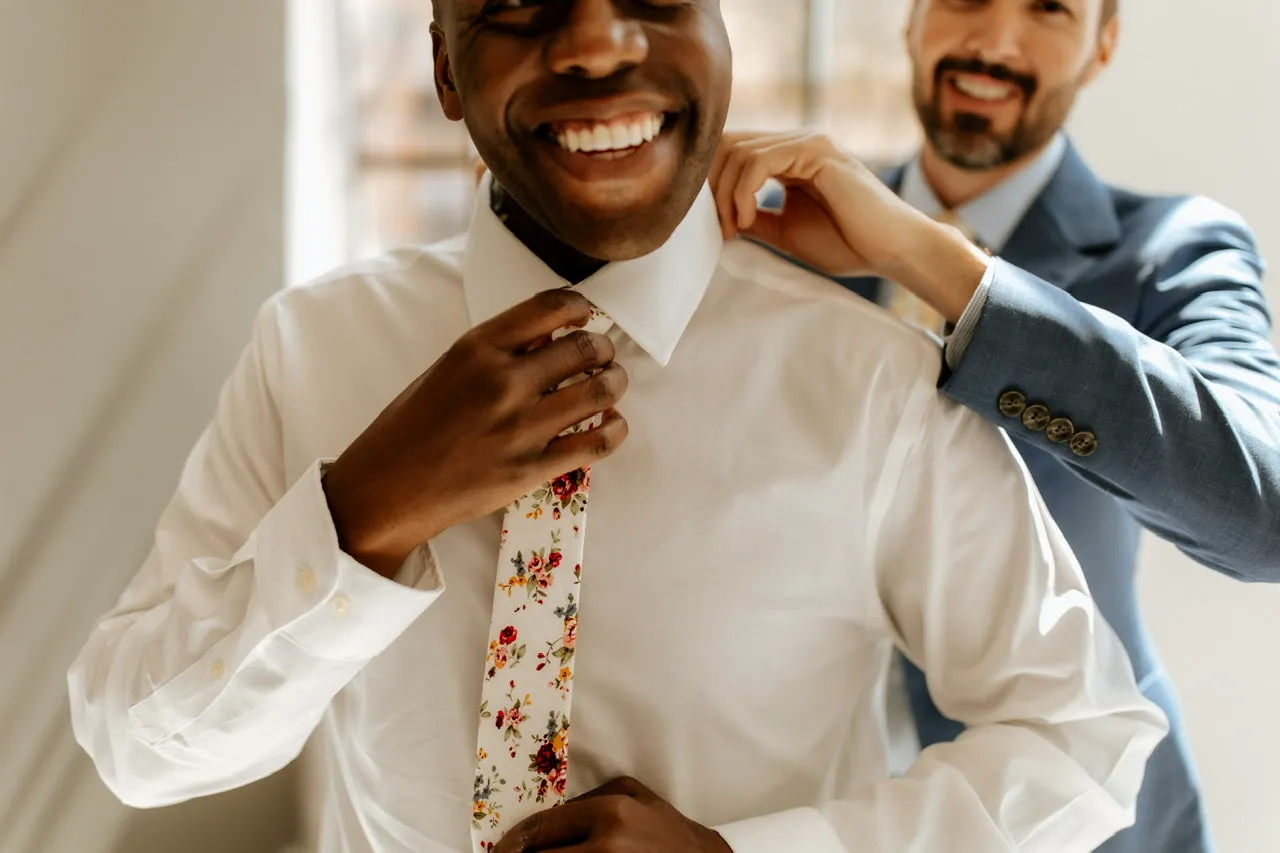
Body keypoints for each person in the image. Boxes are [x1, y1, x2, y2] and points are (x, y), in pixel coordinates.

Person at [68, 1, 1166, 851]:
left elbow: (1082, 742)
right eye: (517, 1)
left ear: (720, 35)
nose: (594, 41)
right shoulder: (310, 348)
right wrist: (361, 513)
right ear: (446, 69)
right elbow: (135, 747)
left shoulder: (871, 381)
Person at [710, 1, 1280, 851]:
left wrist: (930, 260)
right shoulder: (769, 234)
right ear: (912, 19)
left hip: (1091, 821)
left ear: (1103, 44)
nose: (993, 40)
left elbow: (1263, 512)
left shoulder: (1175, 250)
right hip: (798, 811)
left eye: (1048, 8)